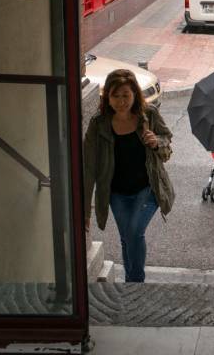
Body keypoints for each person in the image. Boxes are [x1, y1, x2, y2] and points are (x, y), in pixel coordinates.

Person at [83, 69, 175, 283]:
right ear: (108, 97)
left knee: (134, 232)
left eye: (126, 95)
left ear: (134, 94)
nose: (121, 101)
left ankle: (135, 283)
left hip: (147, 188)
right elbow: (89, 167)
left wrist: (156, 142)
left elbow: (166, 142)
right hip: (117, 193)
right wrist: (85, 208)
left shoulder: (149, 115)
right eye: (116, 96)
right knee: (127, 238)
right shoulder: (99, 124)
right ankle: (130, 281)